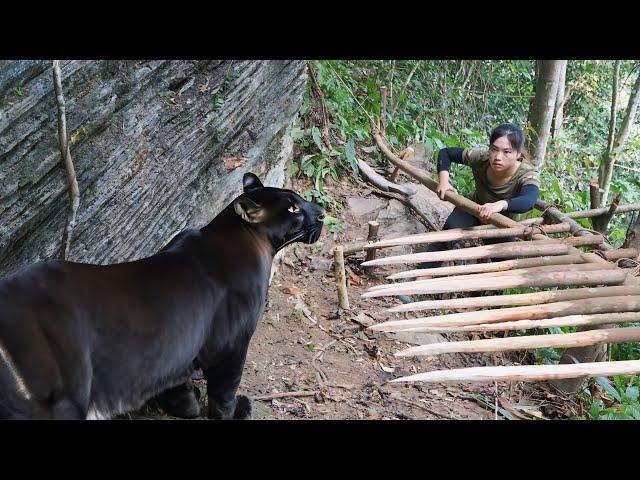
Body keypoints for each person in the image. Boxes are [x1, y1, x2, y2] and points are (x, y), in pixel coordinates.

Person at [419, 123, 540, 268]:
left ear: (518, 154)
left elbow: (529, 200)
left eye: (507, 152)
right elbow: (446, 153)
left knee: (502, 263)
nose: (498, 157)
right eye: (494, 149)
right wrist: (444, 182)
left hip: (502, 222)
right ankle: (420, 277)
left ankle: (488, 290)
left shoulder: (527, 173)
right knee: (448, 235)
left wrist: (500, 205)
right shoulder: (481, 157)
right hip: (474, 208)